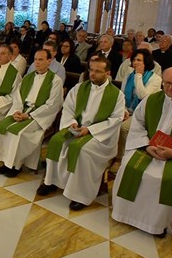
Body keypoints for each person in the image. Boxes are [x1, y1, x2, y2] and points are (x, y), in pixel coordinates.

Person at [112, 67, 172, 237]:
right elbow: (138, 124)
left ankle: (157, 224)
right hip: (148, 148)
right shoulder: (151, 100)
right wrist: (146, 145)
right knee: (128, 167)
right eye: (167, 83)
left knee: (168, 179)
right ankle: (125, 214)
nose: (170, 88)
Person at [38, 56, 125, 211]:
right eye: (91, 70)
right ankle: (51, 181)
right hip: (76, 128)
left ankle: (80, 195)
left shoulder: (117, 95)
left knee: (82, 150)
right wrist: (72, 123)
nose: (92, 74)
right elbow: (68, 108)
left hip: (100, 136)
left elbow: (115, 120)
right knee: (57, 142)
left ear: (108, 73)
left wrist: (89, 130)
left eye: (98, 71)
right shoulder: (79, 88)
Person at [0, 48, 64, 177]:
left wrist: (28, 115)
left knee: (19, 133)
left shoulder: (55, 81)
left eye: (41, 59)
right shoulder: (28, 78)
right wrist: (17, 112)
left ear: (49, 61)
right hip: (22, 111)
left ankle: (16, 166)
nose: (37, 62)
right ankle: (6, 162)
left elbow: (52, 105)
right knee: (2, 126)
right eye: (35, 59)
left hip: (38, 116)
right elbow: (18, 97)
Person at [116, 49, 162, 163]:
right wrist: (124, 110)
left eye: (139, 60)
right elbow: (122, 96)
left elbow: (143, 96)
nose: (135, 62)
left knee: (123, 128)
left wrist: (139, 75)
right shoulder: (128, 76)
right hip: (128, 110)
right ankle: (109, 152)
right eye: (134, 60)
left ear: (146, 62)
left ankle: (120, 159)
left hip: (143, 112)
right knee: (111, 121)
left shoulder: (155, 79)